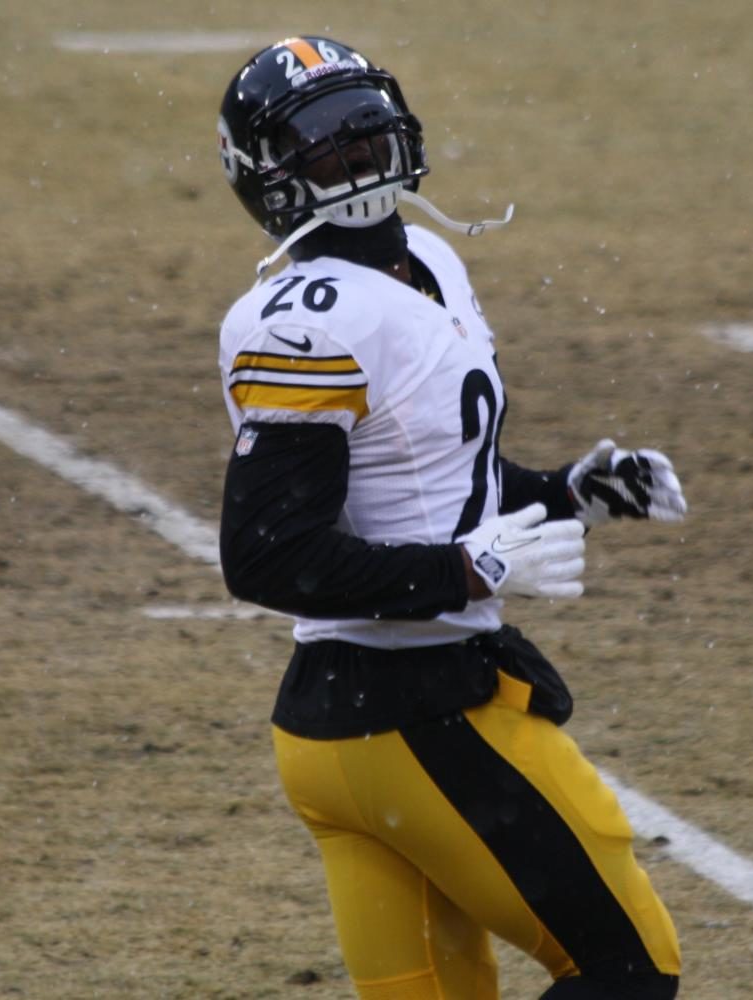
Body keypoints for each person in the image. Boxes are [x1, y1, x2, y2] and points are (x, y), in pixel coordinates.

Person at [215, 35, 687, 1000]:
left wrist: (566, 495)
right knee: (630, 970)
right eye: (320, 147)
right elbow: (267, 556)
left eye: (362, 130)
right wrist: (466, 572)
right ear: (267, 179)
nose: (355, 157)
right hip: (418, 713)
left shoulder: (427, 257)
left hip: (339, 732)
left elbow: (437, 479)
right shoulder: (304, 315)